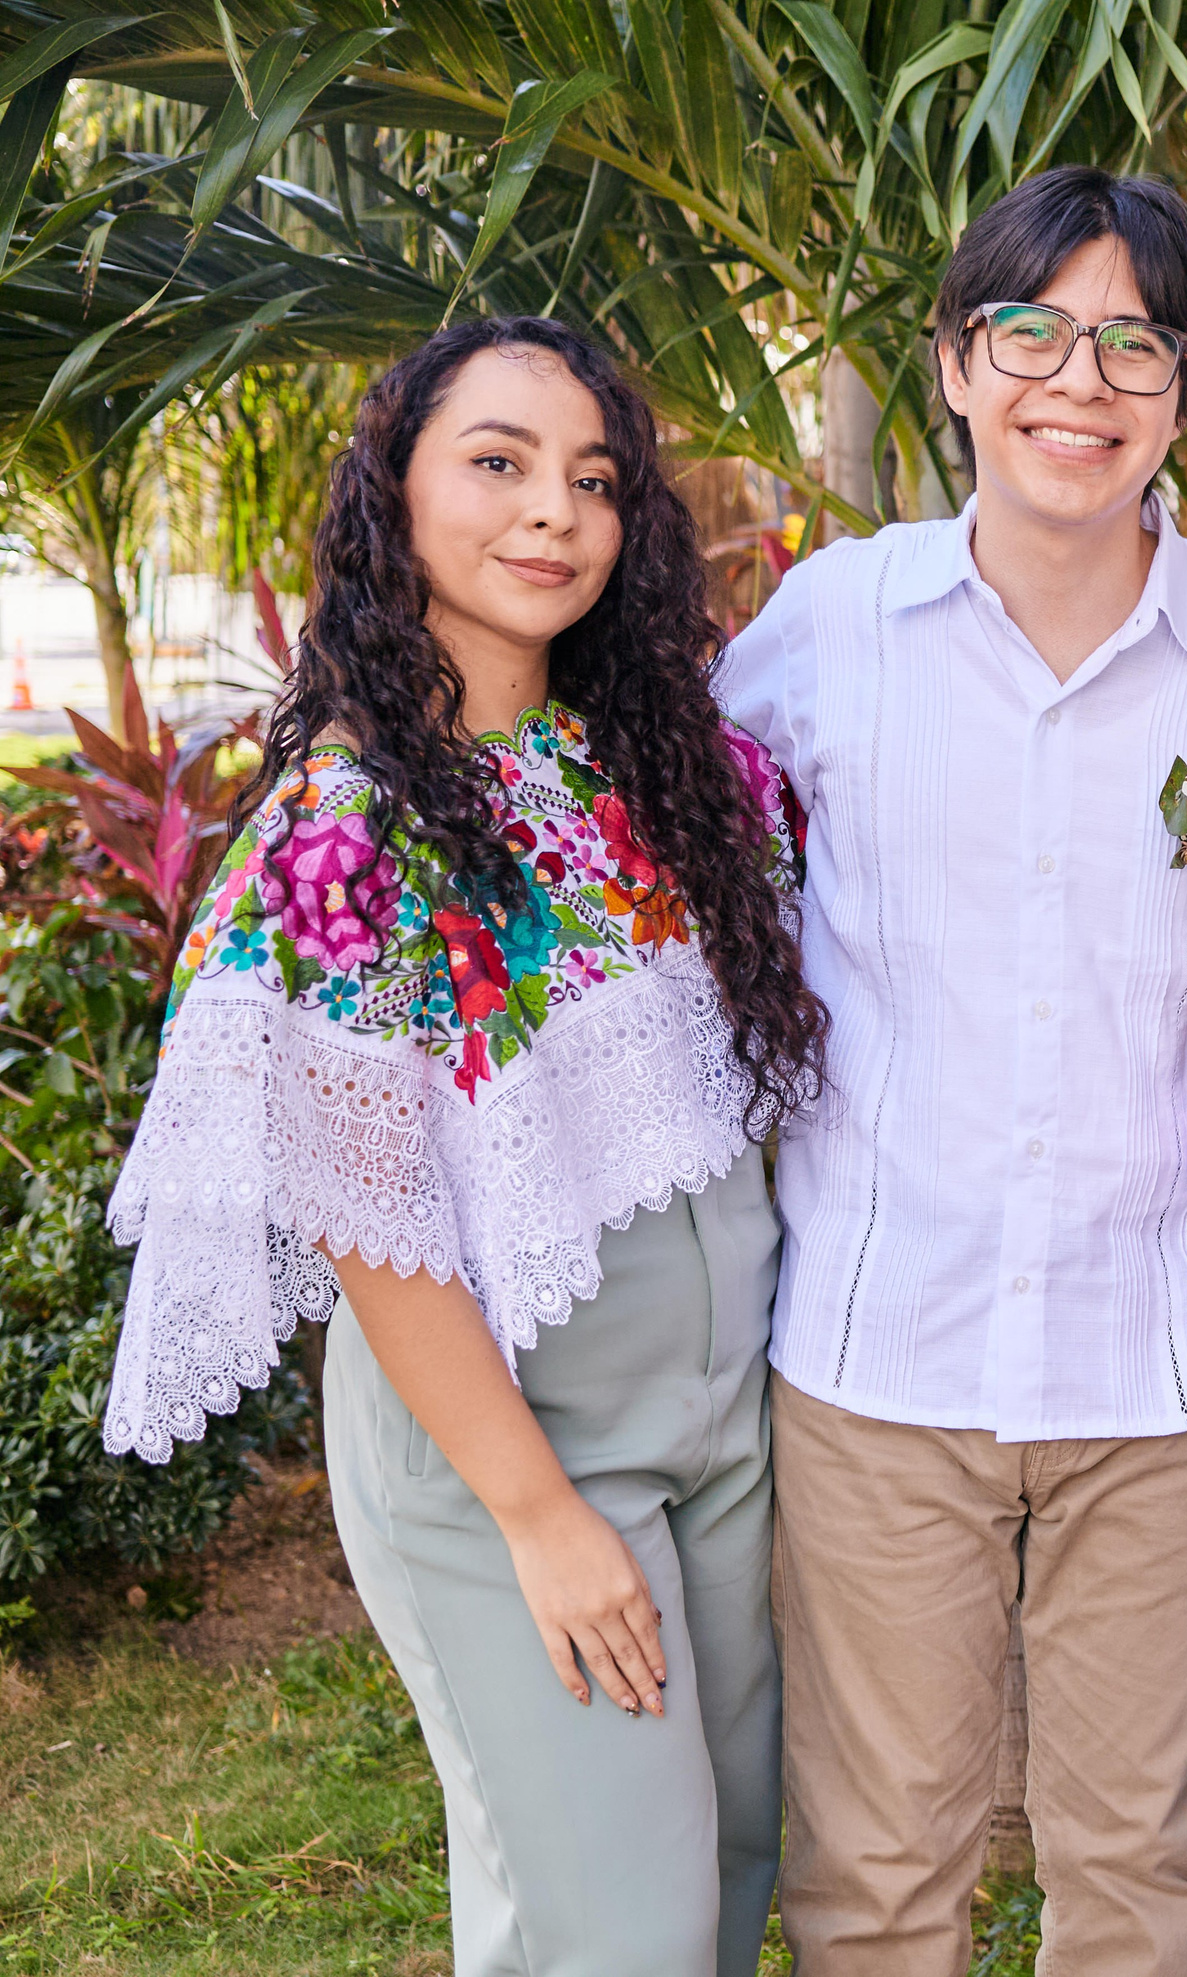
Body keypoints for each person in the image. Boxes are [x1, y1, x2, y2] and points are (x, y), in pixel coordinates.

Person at [104, 316, 829, 1976]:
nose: (552, 513)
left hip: (720, 1429)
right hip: (520, 1450)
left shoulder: (659, 764)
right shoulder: (337, 827)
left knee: (719, 1879)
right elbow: (370, 1209)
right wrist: (539, 1512)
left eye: (590, 478)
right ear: (398, 499)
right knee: (615, 1935)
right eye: (496, 464)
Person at [715, 165, 1187, 1975]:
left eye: (1133, 341)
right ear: (956, 364)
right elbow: (676, 844)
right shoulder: (836, 624)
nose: (1082, 380)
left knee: (1141, 1872)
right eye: (1032, 333)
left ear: (1185, 389)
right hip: (877, 1341)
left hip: (1157, 1351)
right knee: (878, 1868)